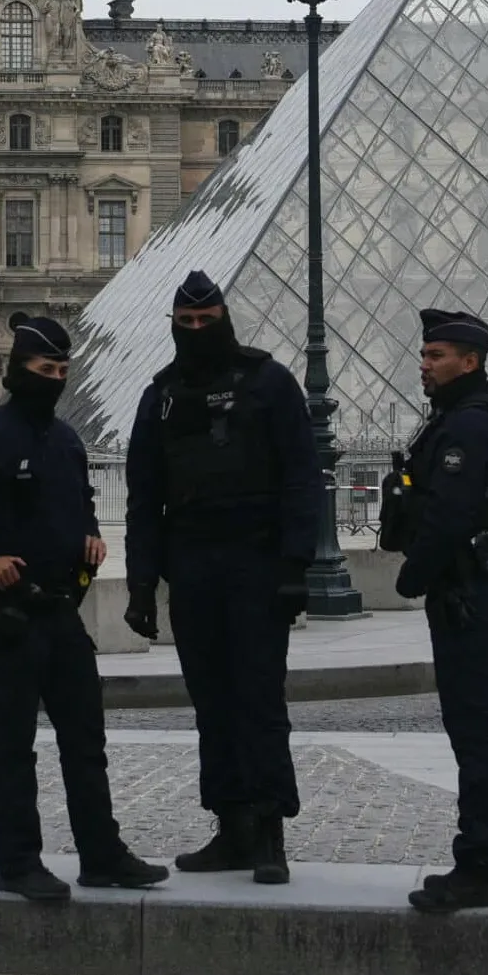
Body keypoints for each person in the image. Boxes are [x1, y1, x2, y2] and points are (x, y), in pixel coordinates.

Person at [0, 317, 168, 903]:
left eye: (60, 372)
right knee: (15, 743)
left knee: (86, 741)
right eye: (42, 371)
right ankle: (18, 861)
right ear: (16, 371)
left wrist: (92, 534)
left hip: (62, 611)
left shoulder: (67, 438)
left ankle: (101, 854)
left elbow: (80, 500)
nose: (53, 379)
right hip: (14, 616)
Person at [123, 270, 320, 884]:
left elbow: (301, 478)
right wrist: (140, 585)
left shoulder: (270, 383)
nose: (198, 332)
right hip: (194, 564)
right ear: (174, 327)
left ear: (226, 319)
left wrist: (295, 568)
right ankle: (230, 825)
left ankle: (270, 832)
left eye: (207, 323)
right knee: (211, 703)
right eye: (187, 325)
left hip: (257, 563)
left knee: (259, 699)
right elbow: (142, 497)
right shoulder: (159, 396)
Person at [389, 309, 488, 913]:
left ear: (470, 362)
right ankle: (485, 862)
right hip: (469, 582)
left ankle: (479, 865)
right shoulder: (462, 418)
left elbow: (448, 515)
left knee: (473, 731)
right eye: (424, 355)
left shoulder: (468, 426)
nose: (425, 365)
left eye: (436, 356)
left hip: (465, 586)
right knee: (471, 728)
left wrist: (411, 576)